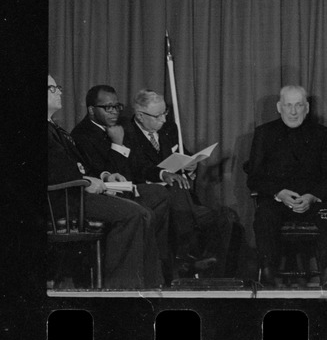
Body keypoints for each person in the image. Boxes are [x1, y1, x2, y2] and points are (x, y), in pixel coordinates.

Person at [47, 75, 163, 289]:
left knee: (145, 212)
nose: (60, 92)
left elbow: (79, 165)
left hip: (79, 191)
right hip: (65, 198)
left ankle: (150, 287)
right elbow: (51, 172)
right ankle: (121, 287)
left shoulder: (55, 128)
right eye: (53, 88)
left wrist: (103, 177)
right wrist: (83, 180)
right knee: (134, 214)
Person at [119, 89, 240, 279]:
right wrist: (163, 173)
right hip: (151, 198)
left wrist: (191, 166)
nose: (163, 120)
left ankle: (216, 278)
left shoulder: (169, 129)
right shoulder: (127, 133)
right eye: (157, 116)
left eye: (164, 113)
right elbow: (135, 168)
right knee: (176, 190)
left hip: (182, 201)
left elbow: (183, 155)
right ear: (140, 116)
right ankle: (189, 258)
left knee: (226, 218)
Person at [245, 85, 327, 287]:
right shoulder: (264, 133)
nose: (293, 111)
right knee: (264, 216)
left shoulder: (322, 134)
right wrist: (278, 193)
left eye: (298, 105)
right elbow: (254, 177)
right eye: (288, 105)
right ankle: (268, 276)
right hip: (277, 202)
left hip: (313, 202)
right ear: (279, 107)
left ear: (306, 108)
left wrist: (312, 196)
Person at [70, 84, 172, 272]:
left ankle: (153, 262)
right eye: (108, 107)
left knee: (160, 193)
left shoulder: (122, 126)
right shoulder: (82, 134)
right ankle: (136, 267)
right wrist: (117, 145)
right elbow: (101, 173)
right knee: (143, 210)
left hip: (129, 187)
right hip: (105, 194)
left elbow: (137, 165)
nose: (114, 112)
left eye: (117, 106)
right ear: (92, 110)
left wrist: (160, 173)